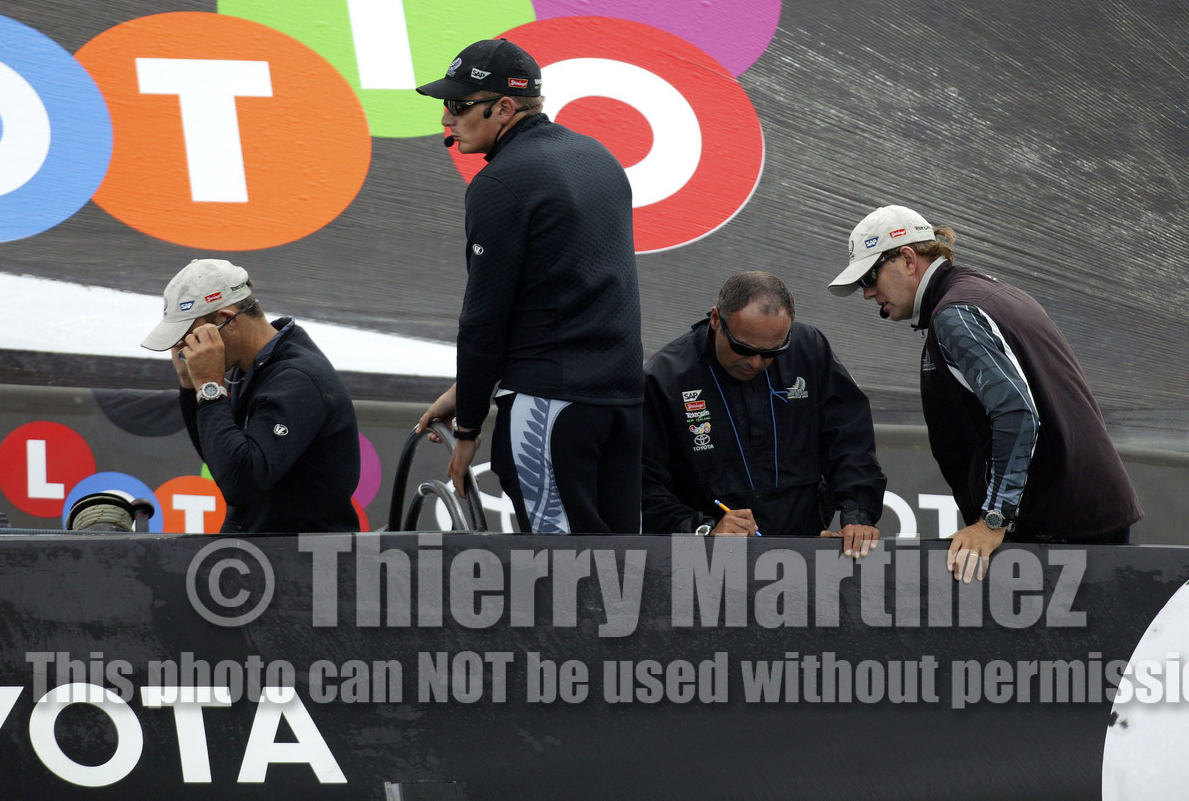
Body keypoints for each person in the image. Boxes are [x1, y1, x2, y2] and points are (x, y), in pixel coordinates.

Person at [828, 204, 1142, 582]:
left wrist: (993, 521)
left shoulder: (956, 313)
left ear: (907, 259)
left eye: (869, 278)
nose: (867, 294)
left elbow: (1016, 412)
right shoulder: (983, 292)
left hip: (1061, 530)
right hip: (1079, 518)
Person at [413, 38, 643, 534]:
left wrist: (470, 425)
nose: (446, 121)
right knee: (626, 571)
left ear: (503, 108)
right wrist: (468, 389)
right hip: (621, 401)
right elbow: (562, 291)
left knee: (561, 577)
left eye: (458, 105)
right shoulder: (599, 158)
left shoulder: (500, 183)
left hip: (550, 403)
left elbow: (484, 318)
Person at [642, 272, 887, 556]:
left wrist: (857, 513)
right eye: (743, 348)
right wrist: (703, 529)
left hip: (801, 551)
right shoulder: (666, 378)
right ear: (715, 320)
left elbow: (849, 438)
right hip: (710, 560)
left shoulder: (809, 349)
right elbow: (645, 486)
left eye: (773, 351)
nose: (755, 362)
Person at [141, 258, 359, 533]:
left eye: (187, 334)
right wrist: (189, 385)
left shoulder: (296, 378)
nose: (181, 345)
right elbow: (221, 461)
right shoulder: (252, 364)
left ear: (226, 321)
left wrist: (209, 385)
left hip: (305, 561)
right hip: (266, 550)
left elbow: (239, 483)